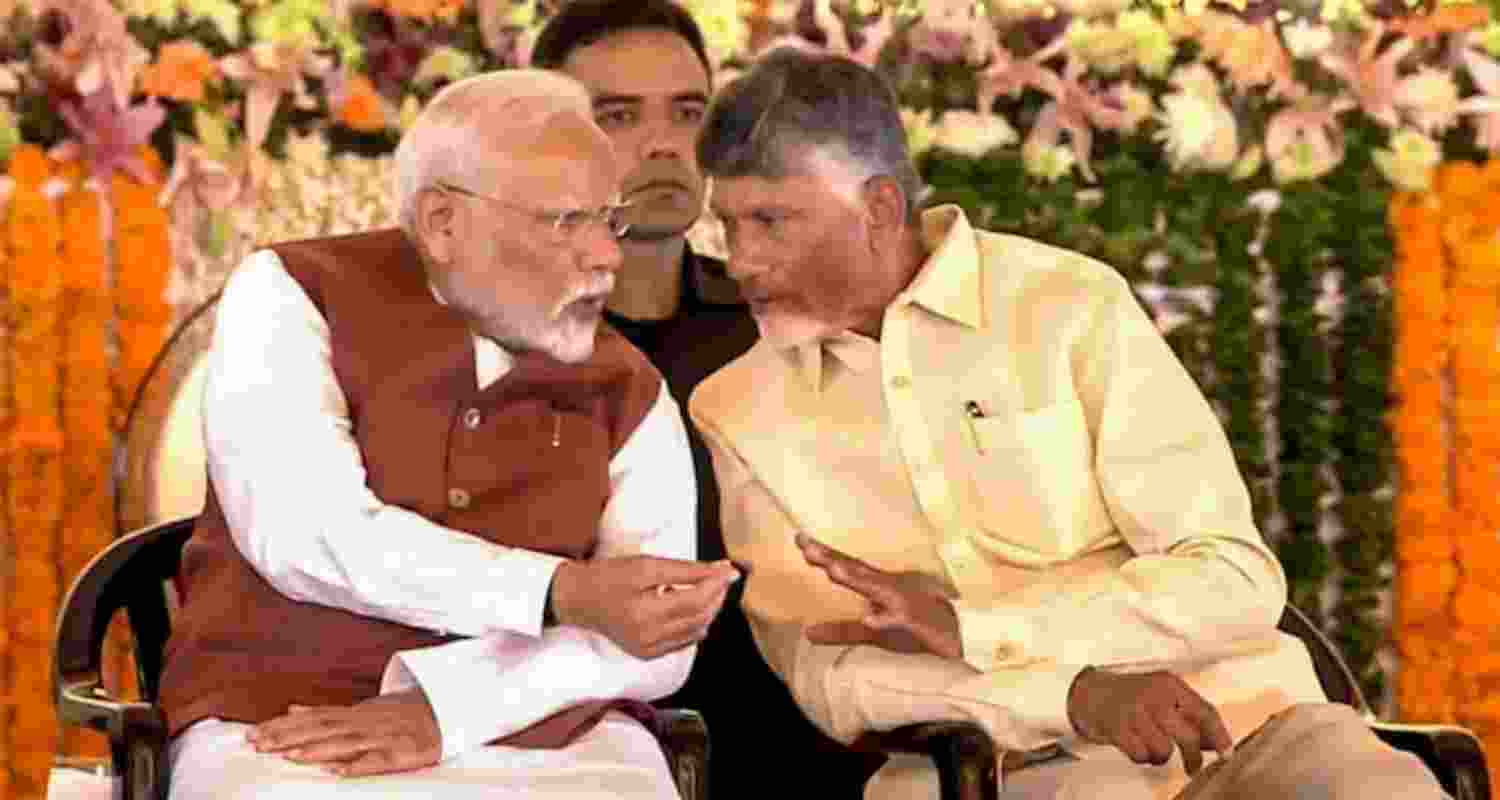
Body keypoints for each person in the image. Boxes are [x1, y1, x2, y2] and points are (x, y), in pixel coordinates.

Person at [688, 48, 1450, 800]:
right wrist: (1073, 697)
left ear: (880, 208)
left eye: (771, 221)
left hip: (1252, 730)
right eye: (728, 223)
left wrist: (979, 630)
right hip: (1010, 776)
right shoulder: (741, 410)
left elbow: (1233, 575)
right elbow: (837, 680)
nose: (743, 257)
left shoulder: (1068, 306)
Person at [156, 69, 740, 800]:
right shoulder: (291, 294)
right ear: (441, 222)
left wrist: (452, 709)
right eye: (568, 222)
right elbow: (302, 531)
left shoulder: (632, 387)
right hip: (284, 722)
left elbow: (658, 642)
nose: (607, 257)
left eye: (610, 220)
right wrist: (558, 589)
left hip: (550, 738)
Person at [532, 4, 880, 796]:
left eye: (688, 113)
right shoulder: (499, 341)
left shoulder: (788, 324)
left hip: (819, 724)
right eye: (615, 116)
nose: (663, 144)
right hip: (572, 738)